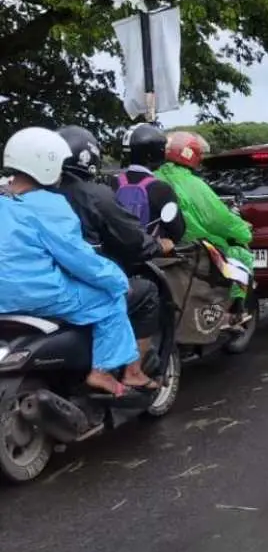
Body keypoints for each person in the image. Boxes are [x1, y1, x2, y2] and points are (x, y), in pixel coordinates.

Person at [0, 128, 153, 398]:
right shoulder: (50, 205)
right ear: (46, 165)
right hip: (39, 296)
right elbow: (79, 260)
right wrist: (116, 279)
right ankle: (103, 371)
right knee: (110, 299)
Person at [53, 125, 169, 381]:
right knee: (142, 291)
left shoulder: (31, 197)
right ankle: (132, 371)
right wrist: (158, 245)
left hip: (29, 289)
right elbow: (132, 239)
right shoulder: (96, 194)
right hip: (71, 288)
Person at [155, 130, 256, 328]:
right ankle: (235, 311)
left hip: (158, 246)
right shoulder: (192, 184)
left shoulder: (153, 176)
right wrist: (243, 231)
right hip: (193, 247)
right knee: (241, 256)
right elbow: (219, 220)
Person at [113, 123, 187, 242]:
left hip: (115, 254)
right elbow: (177, 230)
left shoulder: (113, 182)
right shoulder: (161, 189)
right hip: (150, 255)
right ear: (152, 155)